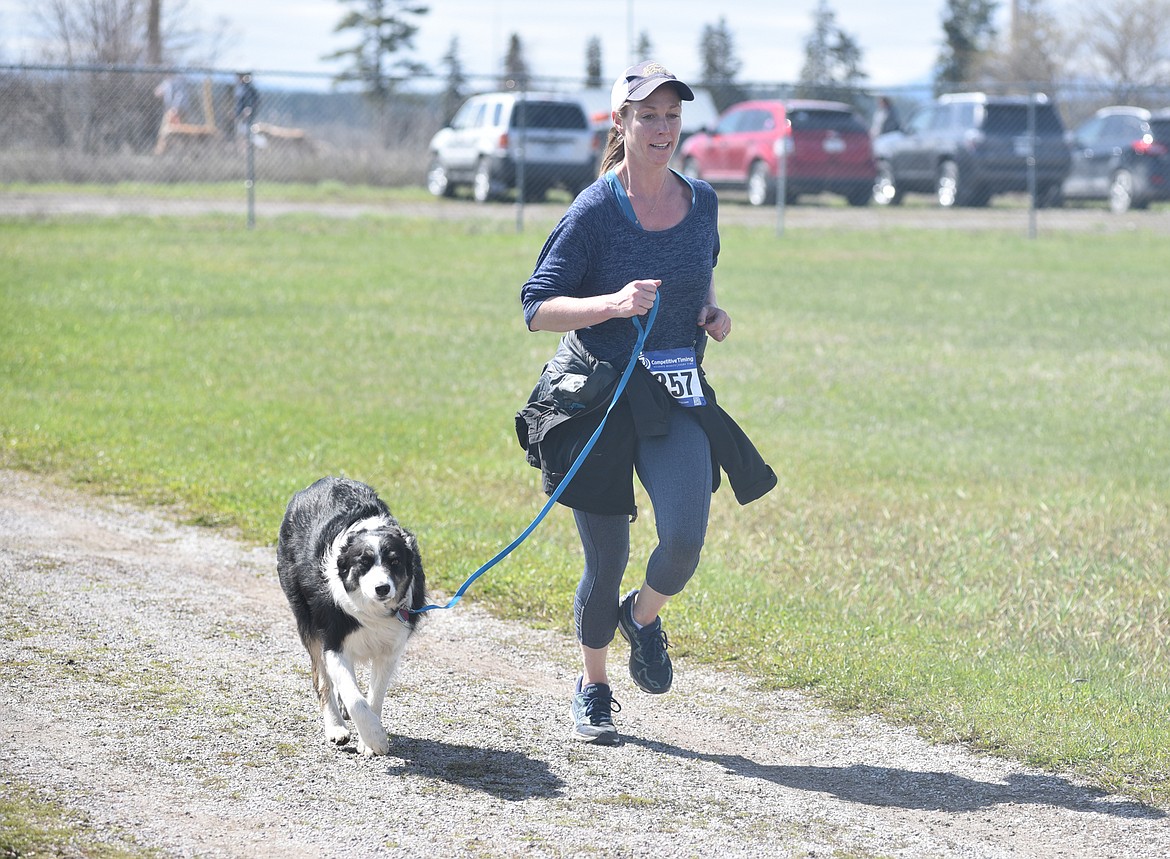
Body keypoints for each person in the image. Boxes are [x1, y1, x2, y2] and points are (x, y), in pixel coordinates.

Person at [516, 61, 777, 744]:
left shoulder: (704, 202)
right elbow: (537, 306)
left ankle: (645, 615)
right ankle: (594, 684)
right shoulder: (596, 210)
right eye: (647, 115)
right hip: (601, 399)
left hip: (675, 395)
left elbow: (702, 274)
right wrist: (611, 303)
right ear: (620, 123)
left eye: (671, 115)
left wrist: (711, 313)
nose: (662, 128)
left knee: (685, 538)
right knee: (605, 560)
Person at [233, 72, 260, 142]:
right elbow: (239, 102)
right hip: (241, 115)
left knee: (248, 132)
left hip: (247, 115)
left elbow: (252, 100)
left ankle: (258, 144)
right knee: (241, 132)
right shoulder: (239, 87)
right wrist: (236, 112)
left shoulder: (248, 88)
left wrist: (249, 108)